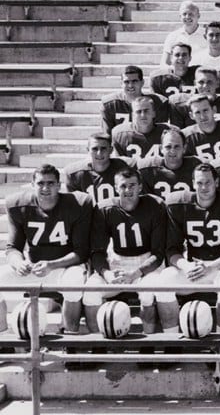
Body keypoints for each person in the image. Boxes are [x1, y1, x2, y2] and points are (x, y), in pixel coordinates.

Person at [0, 164, 91, 334]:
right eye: (41, 183)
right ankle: (4, 337)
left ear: (59, 185)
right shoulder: (18, 205)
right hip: (35, 269)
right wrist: (18, 263)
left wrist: (52, 265)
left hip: (65, 268)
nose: (45, 188)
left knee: (75, 280)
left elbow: (81, 252)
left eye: (50, 183)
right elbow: (12, 248)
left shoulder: (77, 204)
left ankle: (69, 337)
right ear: (33, 184)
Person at [159, 163, 220, 333]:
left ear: (217, 182)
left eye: (208, 182)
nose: (204, 187)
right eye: (199, 183)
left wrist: (212, 266)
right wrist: (186, 265)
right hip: (194, 268)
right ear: (192, 183)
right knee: (165, 280)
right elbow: (171, 250)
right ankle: (171, 341)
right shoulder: (179, 204)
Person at [84, 168, 168, 334]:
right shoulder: (105, 209)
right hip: (117, 262)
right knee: (90, 293)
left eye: (132, 185)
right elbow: (97, 251)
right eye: (123, 186)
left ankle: (148, 345)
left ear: (140, 187)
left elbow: (158, 253)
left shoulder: (155, 206)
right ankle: (96, 344)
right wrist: (106, 273)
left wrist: (135, 274)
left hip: (146, 262)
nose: (128, 190)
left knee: (148, 294)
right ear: (116, 188)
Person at [63, 133, 132, 204]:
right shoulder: (75, 173)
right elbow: (73, 205)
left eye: (103, 148)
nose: (99, 153)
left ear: (111, 150)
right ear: (88, 150)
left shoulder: (123, 168)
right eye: (95, 149)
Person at [100, 65, 169, 133]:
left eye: (134, 81)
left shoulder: (157, 102)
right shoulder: (110, 104)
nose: (130, 85)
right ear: (121, 83)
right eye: (126, 82)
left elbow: (160, 132)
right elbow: (107, 135)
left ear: (142, 82)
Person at [138, 127, 202, 199]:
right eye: (168, 147)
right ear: (161, 149)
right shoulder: (148, 170)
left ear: (184, 148)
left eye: (176, 147)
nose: (172, 151)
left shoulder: (196, 168)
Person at [112, 95, 173, 162]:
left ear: (154, 113)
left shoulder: (168, 132)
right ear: (133, 115)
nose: (143, 115)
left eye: (146, 111)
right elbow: (119, 165)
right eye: (138, 112)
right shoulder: (120, 134)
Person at [182, 94, 220, 162]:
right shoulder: (186, 137)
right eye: (197, 112)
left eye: (205, 110)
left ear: (214, 110)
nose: (202, 116)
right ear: (191, 116)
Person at [161, 0, 205, 66]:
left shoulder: (208, 35)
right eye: (184, 14)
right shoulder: (172, 36)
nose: (187, 17)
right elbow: (164, 63)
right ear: (180, 17)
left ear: (198, 16)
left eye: (191, 14)